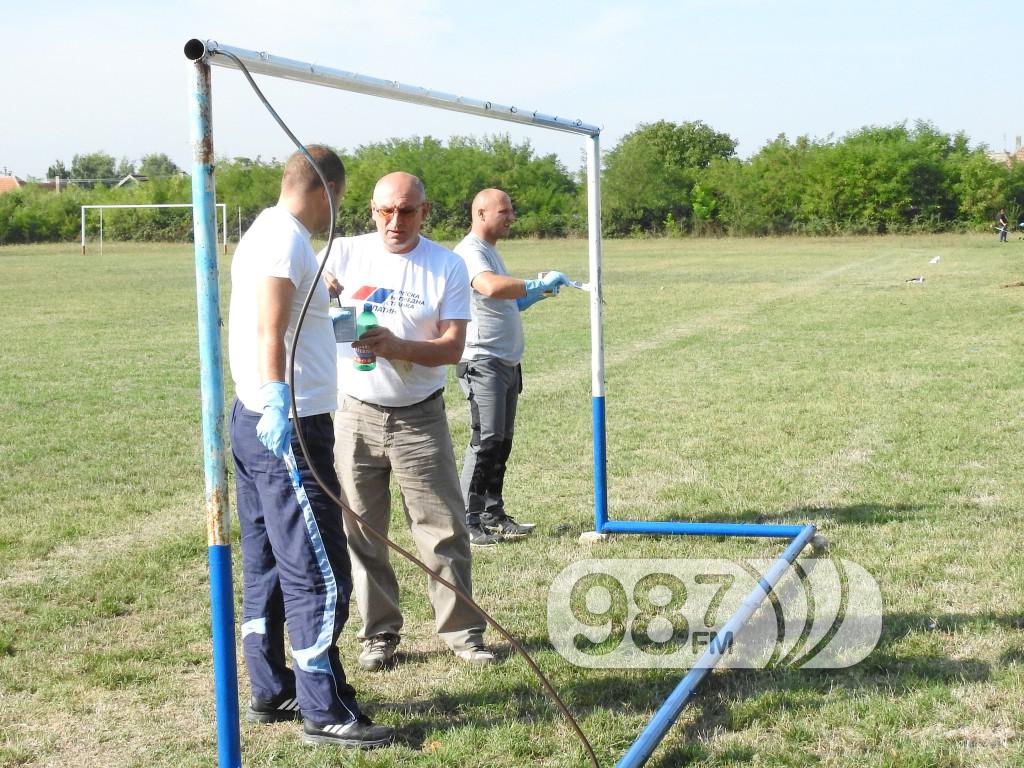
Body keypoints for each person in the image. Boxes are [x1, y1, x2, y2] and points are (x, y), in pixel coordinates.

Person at [228, 145, 394, 749]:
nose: (337, 215)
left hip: (258, 419)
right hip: (288, 423)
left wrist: (348, 322)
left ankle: (272, 688)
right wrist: (277, 396)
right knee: (318, 572)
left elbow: (305, 314)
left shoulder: (273, 235)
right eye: (341, 202)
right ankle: (324, 708)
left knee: (268, 563)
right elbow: (272, 325)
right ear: (325, 190)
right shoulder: (286, 239)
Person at [321, 171, 494, 672]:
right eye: (384, 211)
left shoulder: (447, 265)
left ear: (425, 211)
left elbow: (453, 347)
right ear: (372, 210)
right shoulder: (343, 252)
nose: (395, 221)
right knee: (362, 531)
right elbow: (298, 306)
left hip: (419, 416)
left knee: (441, 528)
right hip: (354, 413)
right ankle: (378, 634)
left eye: (406, 211)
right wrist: (318, 287)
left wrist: (397, 347)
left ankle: (463, 633)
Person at [453, 189, 570, 545]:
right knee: (485, 440)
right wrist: (533, 283)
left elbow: (508, 304)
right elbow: (488, 287)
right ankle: (466, 519)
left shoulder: (491, 252)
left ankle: (492, 512)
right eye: (504, 211)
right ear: (481, 213)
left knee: (501, 443)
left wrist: (540, 293)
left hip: (505, 361)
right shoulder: (470, 252)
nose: (511, 217)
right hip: (482, 361)